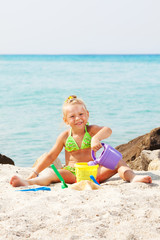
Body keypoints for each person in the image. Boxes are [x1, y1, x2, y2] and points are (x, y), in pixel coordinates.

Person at [10, 95, 152, 187]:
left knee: (119, 162)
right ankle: (28, 181)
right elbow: (51, 156)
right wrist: (34, 172)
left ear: (87, 114)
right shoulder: (65, 136)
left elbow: (108, 130)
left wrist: (96, 138)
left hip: (94, 172)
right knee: (52, 174)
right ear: (65, 120)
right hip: (73, 173)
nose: (78, 118)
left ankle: (132, 177)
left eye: (81, 114)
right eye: (72, 116)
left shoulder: (91, 130)